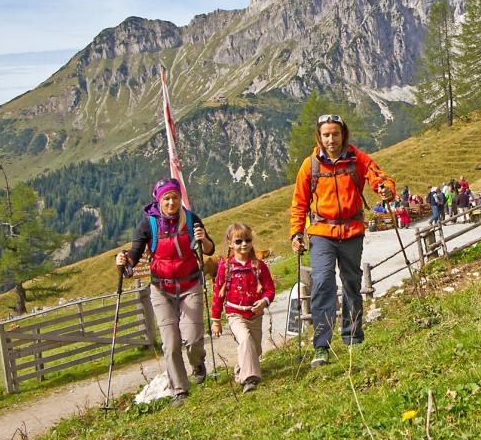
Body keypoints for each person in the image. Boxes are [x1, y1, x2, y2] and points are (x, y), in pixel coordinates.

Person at [289, 113, 395, 367]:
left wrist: (386, 189)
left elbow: (378, 177)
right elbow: (299, 202)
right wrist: (296, 233)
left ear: (343, 134)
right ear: (319, 136)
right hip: (321, 233)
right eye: (326, 134)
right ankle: (321, 346)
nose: (331, 139)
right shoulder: (310, 165)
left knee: (351, 282)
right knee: (323, 282)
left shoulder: (357, 158)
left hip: (351, 232)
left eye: (335, 134)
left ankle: (352, 337)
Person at [116, 178, 214, 406]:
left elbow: (209, 248)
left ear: (180, 198)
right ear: (158, 200)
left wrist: (203, 239)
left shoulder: (190, 220)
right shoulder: (147, 224)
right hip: (161, 289)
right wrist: (123, 261)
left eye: (175, 197)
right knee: (170, 344)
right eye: (166, 198)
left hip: (190, 285)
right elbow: (134, 256)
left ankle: (198, 363)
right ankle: (180, 390)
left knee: (193, 339)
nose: (171, 202)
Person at [210, 222, 275, 393]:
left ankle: (240, 371)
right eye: (238, 241)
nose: (243, 244)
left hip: (255, 314)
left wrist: (264, 302)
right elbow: (218, 293)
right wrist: (216, 320)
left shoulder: (258, 266)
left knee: (255, 349)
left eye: (247, 240)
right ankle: (249, 380)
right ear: (230, 243)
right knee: (245, 340)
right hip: (235, 314)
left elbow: (270, 289)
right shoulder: (226, 267)